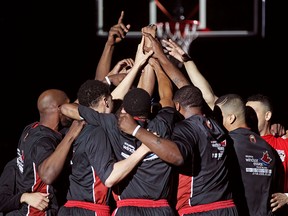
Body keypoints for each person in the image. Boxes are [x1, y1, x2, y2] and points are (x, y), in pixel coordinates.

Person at [159, 37, 287, 215]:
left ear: (232, 117)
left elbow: (201, 97)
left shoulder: (226, 140)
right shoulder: (269, 149)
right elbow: (210, 98)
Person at [118, 85, 238, 216]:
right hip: (227, 207)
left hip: (199, 208)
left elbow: (177, 156)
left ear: (177, 106)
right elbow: (181, 91)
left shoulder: (186, 127)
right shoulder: (216, 125)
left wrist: (136, 130)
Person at [57, 80, 152, 216]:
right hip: (89, 210)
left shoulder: (73, 129)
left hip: (69, 207)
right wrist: (142, 150)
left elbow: (65, 107)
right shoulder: (98, 131)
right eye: (112, 100)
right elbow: (109, 177)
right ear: (105, 101)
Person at [10, 89, 85, 216]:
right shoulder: (43, 141)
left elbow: (83, 102)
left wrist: (106, 81)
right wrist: (70, 136)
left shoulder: (31, 129)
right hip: (37, 212)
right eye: (68, 104)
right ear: (60, 108)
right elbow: (47, 175)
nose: (72, 107)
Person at [246, 94, 288, 214]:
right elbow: (210, 99)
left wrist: (287, 197)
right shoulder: (240, 141)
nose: (249, 116)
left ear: (267, 115)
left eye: (253, 112)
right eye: (246, 112)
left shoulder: (284, 142)